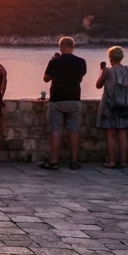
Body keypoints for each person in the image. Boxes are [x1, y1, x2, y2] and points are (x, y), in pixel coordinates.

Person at [41, 36, 88, 170]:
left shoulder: (55, 61)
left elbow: (45, 79)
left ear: (60, 47)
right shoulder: (81, 62)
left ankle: (54, 162)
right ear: (73, 47)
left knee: (55, 130)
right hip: (74, 98)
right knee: (74, 130)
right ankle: (74, 161)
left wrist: (53, 61)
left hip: (57, 99)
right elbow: (80, 78)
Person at [96, 46, 128, 169]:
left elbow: (98, 85)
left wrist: (102, 70)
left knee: (110, 133)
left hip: (109, 104)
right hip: (124, 104)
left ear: (110, 57)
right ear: (121, 57)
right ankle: (123, 161)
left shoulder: (107, 71)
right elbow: (127, 84)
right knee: (122, 132)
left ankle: (111, 161)